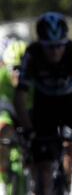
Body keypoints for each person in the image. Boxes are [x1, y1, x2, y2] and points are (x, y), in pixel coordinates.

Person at [14, 12, 72, 195]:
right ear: (41, 44)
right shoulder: (32, 53)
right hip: (45, 107)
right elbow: (20, 96)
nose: (55, 52)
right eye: (49, 47)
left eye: (59, 46)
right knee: (43, 170)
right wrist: (28, 129)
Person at [0, 39, 28, 194]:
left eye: (23, 69)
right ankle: (2, 183)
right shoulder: (1, 77)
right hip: (7, 117)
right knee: (3, 130)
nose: (18, 74)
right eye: (14, 69)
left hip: (26, 118)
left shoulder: (33, 81)